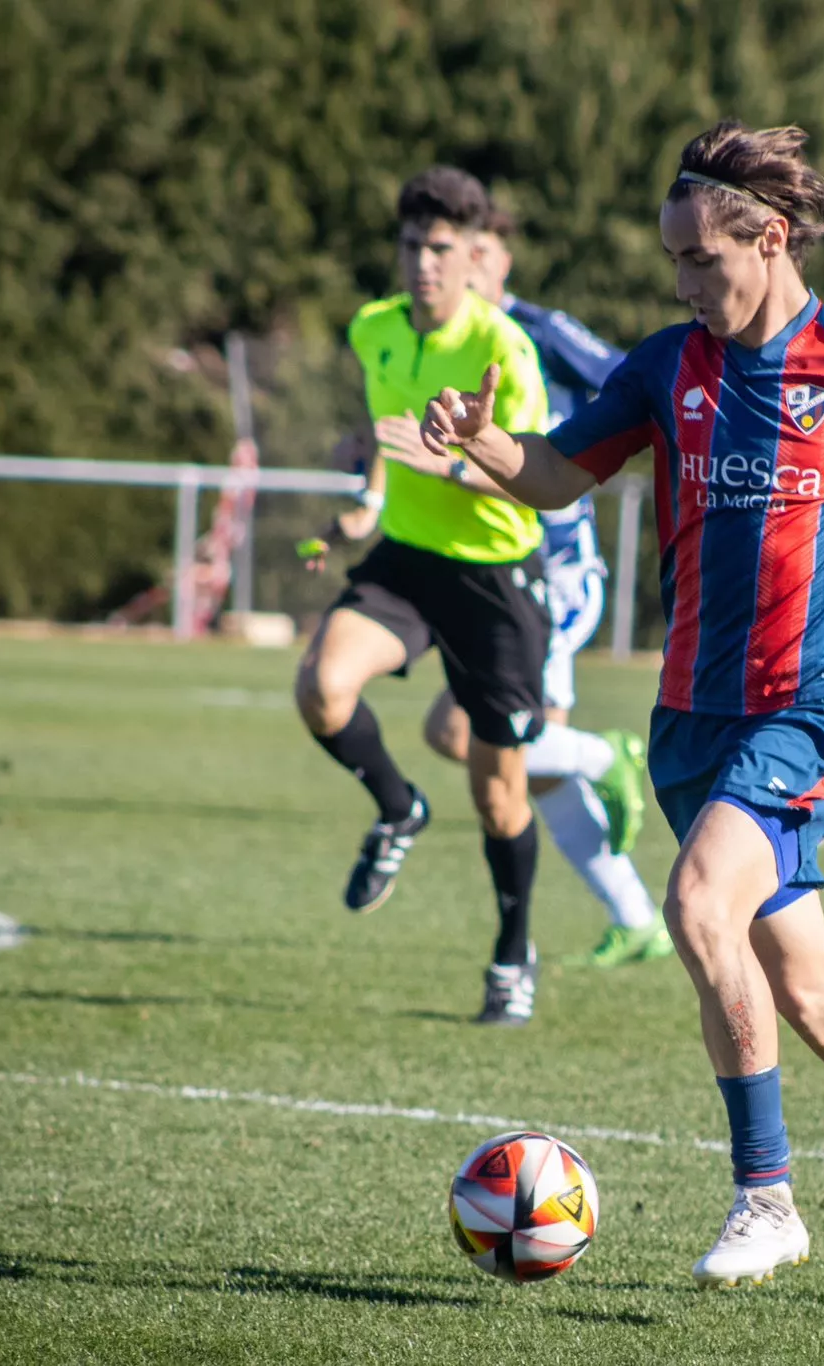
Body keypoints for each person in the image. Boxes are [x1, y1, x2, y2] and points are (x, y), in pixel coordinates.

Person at [418, 122, 824, 1283]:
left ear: (769, 238)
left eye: (700, 259)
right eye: (671, 262)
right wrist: (486, 443)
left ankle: (767, 1200)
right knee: (806, 993)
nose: (682, 282)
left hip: (815, 709)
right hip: (689, 723)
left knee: (698, 906)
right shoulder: (663, 368)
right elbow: (558, 472)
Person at [293, 165, 552, 1026]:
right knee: (322, 689)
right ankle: (398, 808)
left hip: (495, 580)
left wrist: (446, 461)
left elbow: (536, 483)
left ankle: (513, 953)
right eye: (412, 246)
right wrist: (367, 500)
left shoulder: (503, 351)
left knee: (497, 796)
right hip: (408, 557)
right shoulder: (373, 330)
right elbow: (383, 433)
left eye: (442, 249)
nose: (424, 264)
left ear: (475, 253)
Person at [382, 210, 672, 969]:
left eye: (474, 251)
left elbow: (633, 381)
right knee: (526, 769)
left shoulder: (535, 331)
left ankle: (602, 757)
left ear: (502, 259)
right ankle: (637, 916)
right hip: (499, 573)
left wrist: (570, 448)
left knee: (462, 733)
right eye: (446, 250)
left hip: (554, 574)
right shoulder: (446, 337)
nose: (457, 266)